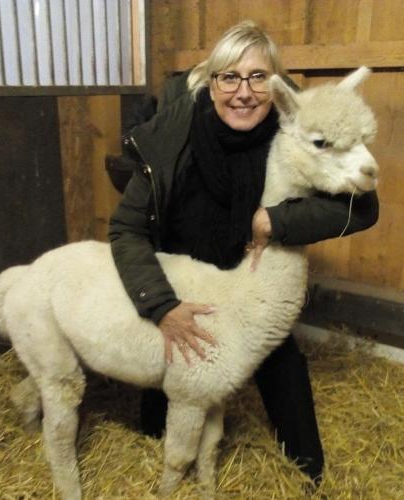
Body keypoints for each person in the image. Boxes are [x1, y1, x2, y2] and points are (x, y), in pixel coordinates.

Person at [108, 20, 378, 485]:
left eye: (256, 77)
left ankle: (306, 473)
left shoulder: (296, 125)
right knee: (159, 415)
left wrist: (278, 221)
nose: (243, 92)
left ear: (273, 84)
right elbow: (126, 227)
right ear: (211, 81)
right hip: (182, 284)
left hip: (248, 286)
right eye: (228, 77)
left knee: (284, 377)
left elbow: (363, 205)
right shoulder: (174, 138)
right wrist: (159, 304)